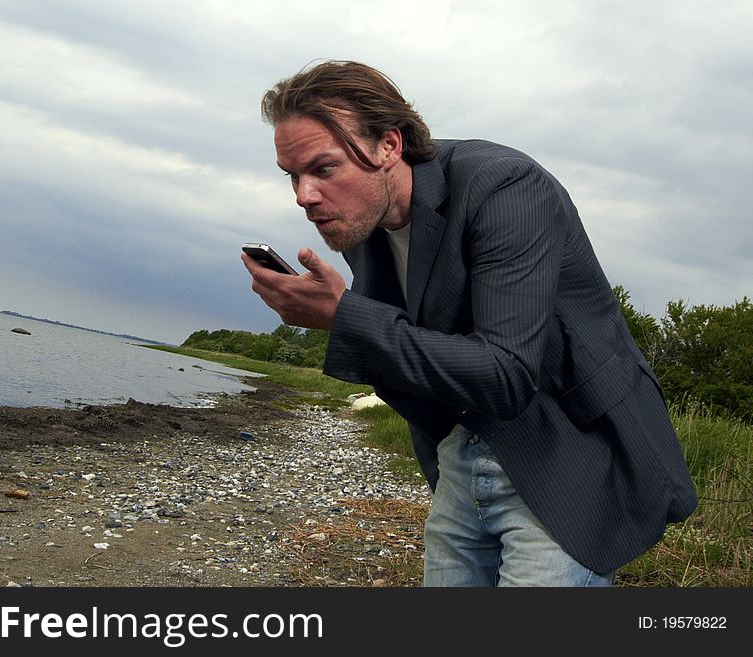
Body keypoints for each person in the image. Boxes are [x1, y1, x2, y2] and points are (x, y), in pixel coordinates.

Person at [242, 60, 697, 586]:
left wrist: (344, 315)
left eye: (323, 170)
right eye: (292, 176)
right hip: (463, 451)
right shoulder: (364, 225)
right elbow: (412, 351)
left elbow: (507, 374)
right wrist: (349, 320)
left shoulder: (504, 186)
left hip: (568, 452)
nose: (304, 196)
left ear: (389, 146)